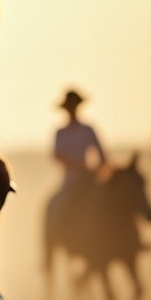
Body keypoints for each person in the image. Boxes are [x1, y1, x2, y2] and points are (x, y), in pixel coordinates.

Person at [51, 88, 108, 239]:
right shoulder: (61, 132)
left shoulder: (88, 130)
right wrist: (77, 166)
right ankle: (58, 239)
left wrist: (97, 169)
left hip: (90, 180)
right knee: (57, 209)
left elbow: (101, 154)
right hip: (70, 181)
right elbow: (57, 155)